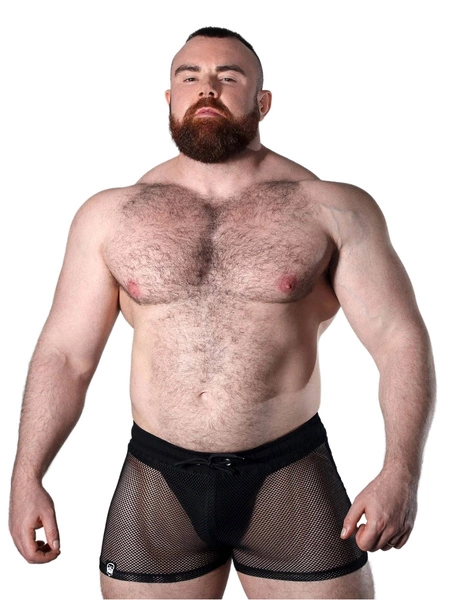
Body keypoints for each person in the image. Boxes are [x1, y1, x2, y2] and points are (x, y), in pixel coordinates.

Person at [9, 26, 436, 600]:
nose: (206, 88)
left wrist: (401, 471)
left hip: (289, 476)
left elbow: (399, 339)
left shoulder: (333, 209)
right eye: (190, 77)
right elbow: (65, 356)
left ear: (263, 101)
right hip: (157, 481)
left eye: (228, 77)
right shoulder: (111, 215)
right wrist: (27, 475)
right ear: (169, 98)